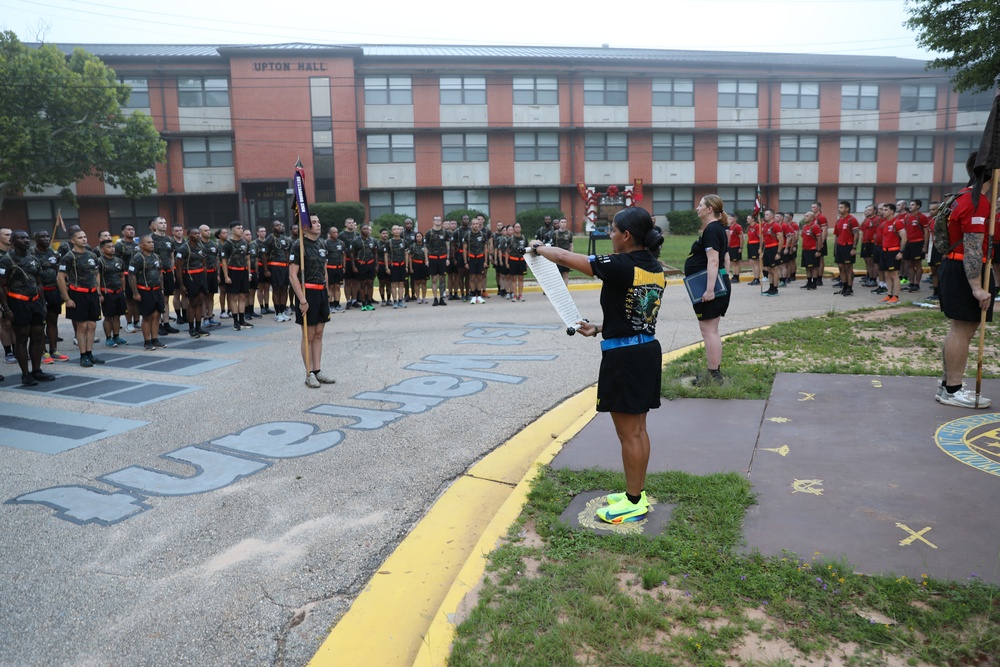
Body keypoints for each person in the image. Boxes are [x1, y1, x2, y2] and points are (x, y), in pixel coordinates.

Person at [528, 207, 664, 524]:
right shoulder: (652, 267)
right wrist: (600, 328)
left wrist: (536, 249)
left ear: (626, 236)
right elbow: (636, 314)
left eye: (613, 230)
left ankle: (633, 503)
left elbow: (563, 257)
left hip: (626, 358)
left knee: (629, 434)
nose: (610, 235)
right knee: (639, 430)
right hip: (644, 351)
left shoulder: (620, 265)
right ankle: (636, 493)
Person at [937, 153, 995, 408]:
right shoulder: (976, 202)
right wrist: (977, 288)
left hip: (955, 265)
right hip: (965, 269)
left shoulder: (961, 195)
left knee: (959, 328)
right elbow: (972, 247)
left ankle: (948, 385)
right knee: (963, 329)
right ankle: (953, 389)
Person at [0, 230, 57, 385]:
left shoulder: (33, 259)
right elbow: (1, 286)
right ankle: (26, 374)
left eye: (26, 238)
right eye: (21, 238)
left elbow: (39, 283)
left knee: (38, 338)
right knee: (22, 339)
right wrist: (6, 309)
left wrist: (43, 304)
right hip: (18, 303)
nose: (25, 240)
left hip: (36, 302)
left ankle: (37, 370)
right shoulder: (6, 260)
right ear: (13, 241)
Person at [687, 195, 731, 385]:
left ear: (709, 209)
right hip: (716, 283)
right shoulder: (716, 229)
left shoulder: (713, 229)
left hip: (711, 287)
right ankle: (714, 372)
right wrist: (725, 277)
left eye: (700, 205)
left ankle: (713, 375)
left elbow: (714, 260)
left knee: (709, 331)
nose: (697, 208)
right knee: (710, 330)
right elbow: (726, 258)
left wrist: (711, 289)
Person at [289, 214, 334, 388]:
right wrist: (302, 300)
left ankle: (318, 370)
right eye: (314, 222)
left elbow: (324, 271)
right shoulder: (298, 245)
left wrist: (327, 291)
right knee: (308, 335)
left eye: (318, 221)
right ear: (305, 227)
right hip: (307, 293)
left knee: (319, 333)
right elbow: (293, 276)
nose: (318, 224)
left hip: (321, 292)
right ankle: (308, 374)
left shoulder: (322, 244)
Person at [57, 228, 105, 366]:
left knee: (92, 325)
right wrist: (67, 299)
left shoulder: (92, 255)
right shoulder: (69, 257)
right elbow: (60, 277)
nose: (84, 239)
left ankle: (90, 353)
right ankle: (83, 355)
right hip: (78, 293)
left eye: (85, 237)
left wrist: (98, 292)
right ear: (73, 240)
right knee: (82, 326)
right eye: (80, 238)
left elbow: (96, 274)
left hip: (92, 294)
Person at [32, 231, 69, 363]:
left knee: (52, 321)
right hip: (39, 292)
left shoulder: (55, 253)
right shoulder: (31, 254)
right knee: (40, 323)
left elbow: (61, 273)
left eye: (47, 236)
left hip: (54, 291)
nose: (46, 239)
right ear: (35, 239)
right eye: (42, 236)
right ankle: (43, 352)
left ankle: (54, 350)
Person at [174, 228, 211, 338]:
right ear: (189, 235)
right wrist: (181, 284)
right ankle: (191, 328)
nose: (197, 235)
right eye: (194, 233)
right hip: (189, 277)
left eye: (198, 233)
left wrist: (204, 279)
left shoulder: (201, 246)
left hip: (200, 276)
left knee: (200, 302)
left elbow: (204, 263)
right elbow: (179, 268)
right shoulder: (183, 248)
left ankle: (198, 327)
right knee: (192, 303)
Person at [220, 221, 253, 330]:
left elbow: (248, 258)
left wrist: (249, 273)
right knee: (234, 297)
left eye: (241, 228)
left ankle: (242, 320)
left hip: (243, 271)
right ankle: (235, 321)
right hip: (233, 271)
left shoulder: (245, 242)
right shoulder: (228, 244)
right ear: (233, 230)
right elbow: (224, 261)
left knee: (243, 296)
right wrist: (226, 276)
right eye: (238, 228)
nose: (241, 230)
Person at [97, 239, 129, 347]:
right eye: (109, 247)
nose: (112, 249)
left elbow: (122, 276)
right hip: (107, 292)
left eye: (112, 247)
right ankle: (108, 338)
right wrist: (99, 294)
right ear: (102, 249)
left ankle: (116, 336)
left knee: (117, 316)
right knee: (108, 317)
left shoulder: (119, 261)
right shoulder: (100, 261)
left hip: (119, 291)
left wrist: (123, 290)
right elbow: (97, 278)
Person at [877, 202, 906, 304]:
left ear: (892, 211)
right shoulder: (884, 223)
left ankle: (896, 296)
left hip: (894, 251)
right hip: (884, 251)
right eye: (883, 210)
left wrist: (901, 252)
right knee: (886, 274)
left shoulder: (897, 222)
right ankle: (889, 294)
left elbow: (904, 238)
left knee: (894, 274)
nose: (883, 212)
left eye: (885, 210)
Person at [833, 201, 860, 297]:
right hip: (840, 246)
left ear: (847, 209)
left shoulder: (852, 220)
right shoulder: (838, 220)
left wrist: (854, 247)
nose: (839, 209)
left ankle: (849, 288)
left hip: (848, 246)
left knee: (848, 268)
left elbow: (856, 234)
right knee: (841, 267)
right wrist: (835, 248)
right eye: (839, 207)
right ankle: (844, 287)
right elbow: (837, 235)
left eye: (841, 207)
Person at [425, 216, 450, 306]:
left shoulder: (445, 232)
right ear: (433, 221)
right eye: (436, 219)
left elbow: (448, 246)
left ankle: (441, 298)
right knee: (434, 279)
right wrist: (426, 259)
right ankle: (435, 298)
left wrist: (447, 258)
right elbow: (426, 247)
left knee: (442, 279)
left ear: (441, 221)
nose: (437, 221)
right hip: (432, 258)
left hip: (442, 258)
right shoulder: (429, 233)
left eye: (439, 220)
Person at [408, 231, 429, 303]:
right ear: (415, 238)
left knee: (424, 282)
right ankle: (418, 297)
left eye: (420, 236)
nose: (419, 238)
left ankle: (424, 297)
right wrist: (410, 268)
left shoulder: (426, 245)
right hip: (416, 265)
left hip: (424, 265)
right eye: (417, 236)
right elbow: (410, 258)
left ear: (422, 237)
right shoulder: (413, 246)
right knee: (417, 282)